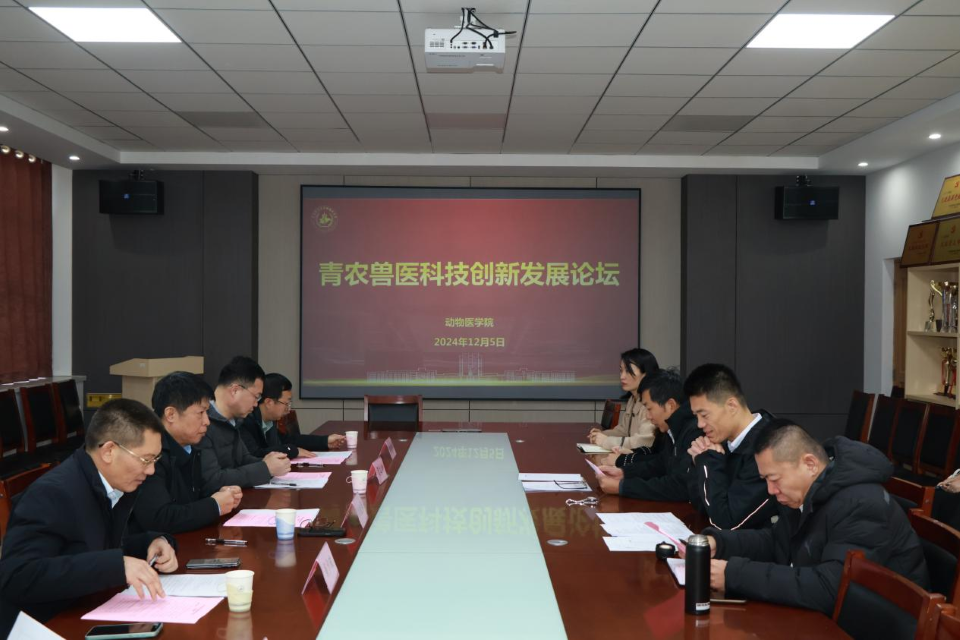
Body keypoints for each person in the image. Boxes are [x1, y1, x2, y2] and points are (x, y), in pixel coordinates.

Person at [693, 420, 930, 614]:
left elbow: (830, 589)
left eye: (774, 479)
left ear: (810, 464)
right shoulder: (809, 492)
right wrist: (719, 544)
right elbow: (777, 542)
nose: (770, 490)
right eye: (765, 480)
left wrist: (734, 575)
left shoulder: (862, 504)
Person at [0, 399, 179, 635]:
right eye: (146, 460)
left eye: (155, 460)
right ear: (109, 451)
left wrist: (154, 542)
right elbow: (18, 576)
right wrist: (116, 566)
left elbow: (95, 549)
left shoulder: (113, 484)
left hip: (86, 611)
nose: (151, 470)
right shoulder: (52, 494)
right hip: (43, 626)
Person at [132, 372, 243, 535]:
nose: (207, 421)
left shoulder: (190, 447)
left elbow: (192, 499)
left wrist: (223, 495)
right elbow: (159, 518)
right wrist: (214, 505)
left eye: (207, 412)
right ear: (171, 415)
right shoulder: (149, 453)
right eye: (200, 413)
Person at [684, 363, 777, 530]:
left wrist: (708, 462)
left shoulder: (768, 447)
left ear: (732, 406)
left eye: (704, 415)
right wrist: (698, 461)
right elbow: (701, 504)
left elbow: (727, 521)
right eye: (696, 416)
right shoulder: (721, 442)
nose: (699, 424)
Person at [596, 369, 698, 501]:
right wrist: (623, 473)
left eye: (649, 409)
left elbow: (679, 487)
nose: (648, 416)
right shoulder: (672, 426)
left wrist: (622, 487)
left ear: (670, 405)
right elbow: (661, 464)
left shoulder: (693, 431)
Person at [198, 356, 290, 495]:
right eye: (256, 396)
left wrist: (268, 462)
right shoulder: (202, 423)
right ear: (235, 390)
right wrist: (265, 468)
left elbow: (243, 459)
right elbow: (213, 480)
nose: (256, 404)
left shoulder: (234, 420)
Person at [239, 373, 345, 459]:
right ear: (269, 403)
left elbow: (288, 440)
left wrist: (325, 441)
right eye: (286, 403)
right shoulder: (245, 422)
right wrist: (292, 450)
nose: (288, 409)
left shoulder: (270, 420)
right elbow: (255, 454)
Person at [587, 348, 658, 452]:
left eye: (628, 371)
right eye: (621, 370)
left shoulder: (652, 402)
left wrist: (606, 441)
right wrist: (602, 435)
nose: (622, 376)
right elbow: (623, 431)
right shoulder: (632, 399)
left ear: (645, 374)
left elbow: (644, 441)